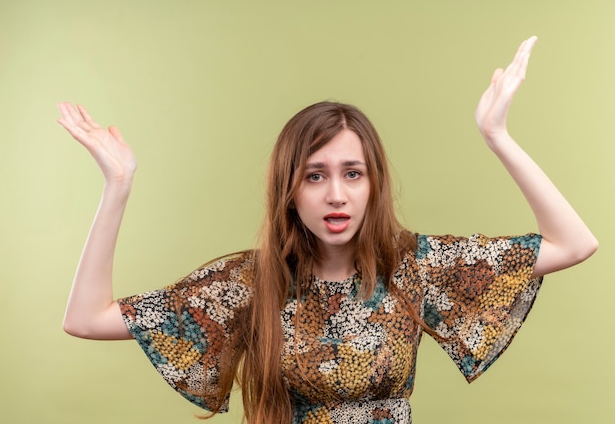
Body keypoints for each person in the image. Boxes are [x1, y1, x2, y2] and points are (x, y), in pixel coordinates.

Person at [57, 36, 597, 424]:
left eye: (352, 174)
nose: (335, 194)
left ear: (372, 185)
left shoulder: (412, 267)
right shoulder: (248, 283)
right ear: (289, 191)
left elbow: (574, 244)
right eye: (314, 176)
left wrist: (497, 135)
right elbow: (85, 319)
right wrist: (118, 185)